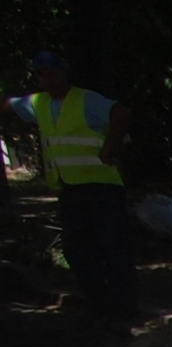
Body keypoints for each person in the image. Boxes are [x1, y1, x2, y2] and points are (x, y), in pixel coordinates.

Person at [9, 51, 135, 326]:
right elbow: (10, 104)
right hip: (69, 187)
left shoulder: (86, 100)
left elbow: (122, 114)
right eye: (43, 75)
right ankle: (100, 304)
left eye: (53, 73)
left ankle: (125, 310)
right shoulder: (40, 103)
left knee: (113, 248)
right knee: (77, 250)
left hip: (101, 185)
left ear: (64, 73)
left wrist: (109, 147)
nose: (49, 79)